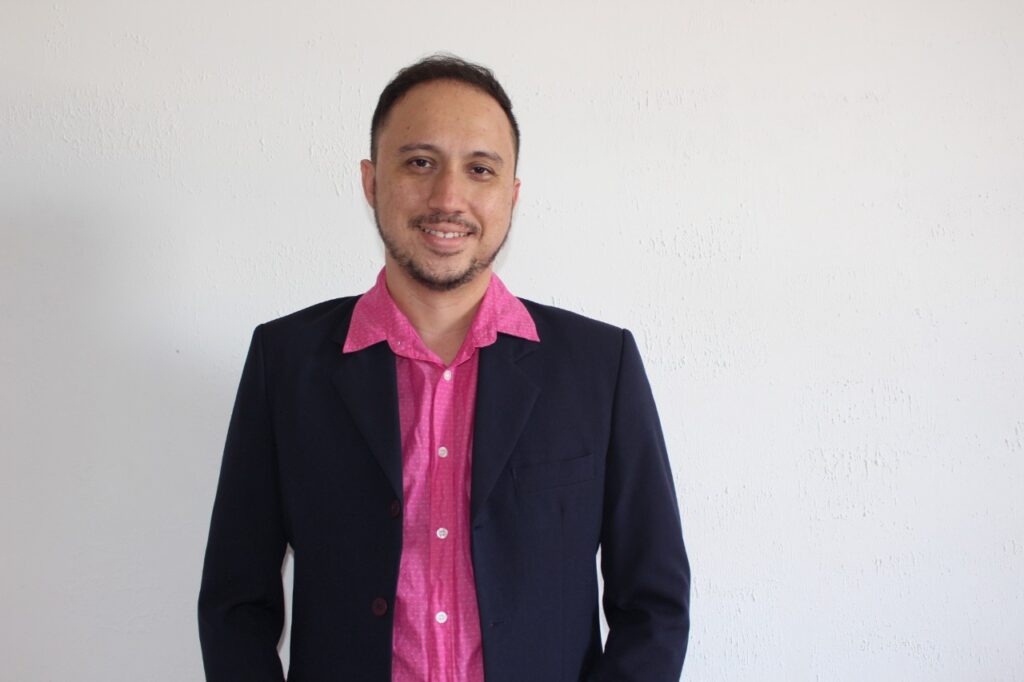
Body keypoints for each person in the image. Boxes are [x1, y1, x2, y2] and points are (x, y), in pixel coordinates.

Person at [198, 54, 690, 682]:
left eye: (480, 169)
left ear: (511, 196)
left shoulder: (599, 367)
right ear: (371, 182)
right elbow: (235, 605)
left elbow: (653, 605)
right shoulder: (287, 363)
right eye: (419, 162)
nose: (448, 198)